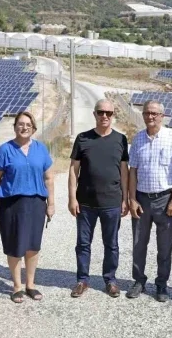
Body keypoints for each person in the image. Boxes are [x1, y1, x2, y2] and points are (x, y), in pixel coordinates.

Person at [126, 99, 172, 302]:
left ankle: (161, 285)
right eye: (147, 113)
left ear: (162, 116)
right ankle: (139, 280)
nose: (150, 117)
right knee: (138, 244)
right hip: (142, 199)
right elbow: (132, 171)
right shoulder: (138, 139)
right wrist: (132, 199)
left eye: (154, 113)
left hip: (165, 199)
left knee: (164, 246)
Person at [0, 111, 55, 303]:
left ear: (33, 128)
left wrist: (51, 203)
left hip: (36, 202)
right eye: (20, 124)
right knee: (14, 244)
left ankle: (31, 285)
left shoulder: (41, 149)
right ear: (15, 127)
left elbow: (49, 177)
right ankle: (17, 286)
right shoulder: (4, 150)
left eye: (28, 124)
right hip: (12, 203)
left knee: (33, 245)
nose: (24, 127)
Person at [68, 99, 129, 298]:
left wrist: (125, 198)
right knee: (83, 244)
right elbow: (73, 170)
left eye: (109, 113)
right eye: (101, 112)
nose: (105, 116)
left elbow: (124, 171)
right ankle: (82, 280)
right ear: (94, 114)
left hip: (111, 202)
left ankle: (110, 280)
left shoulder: (121, 139)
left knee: (111, 244)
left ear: (113, 115)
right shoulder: (83, 138)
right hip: (85, 203)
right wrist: (71, 198)